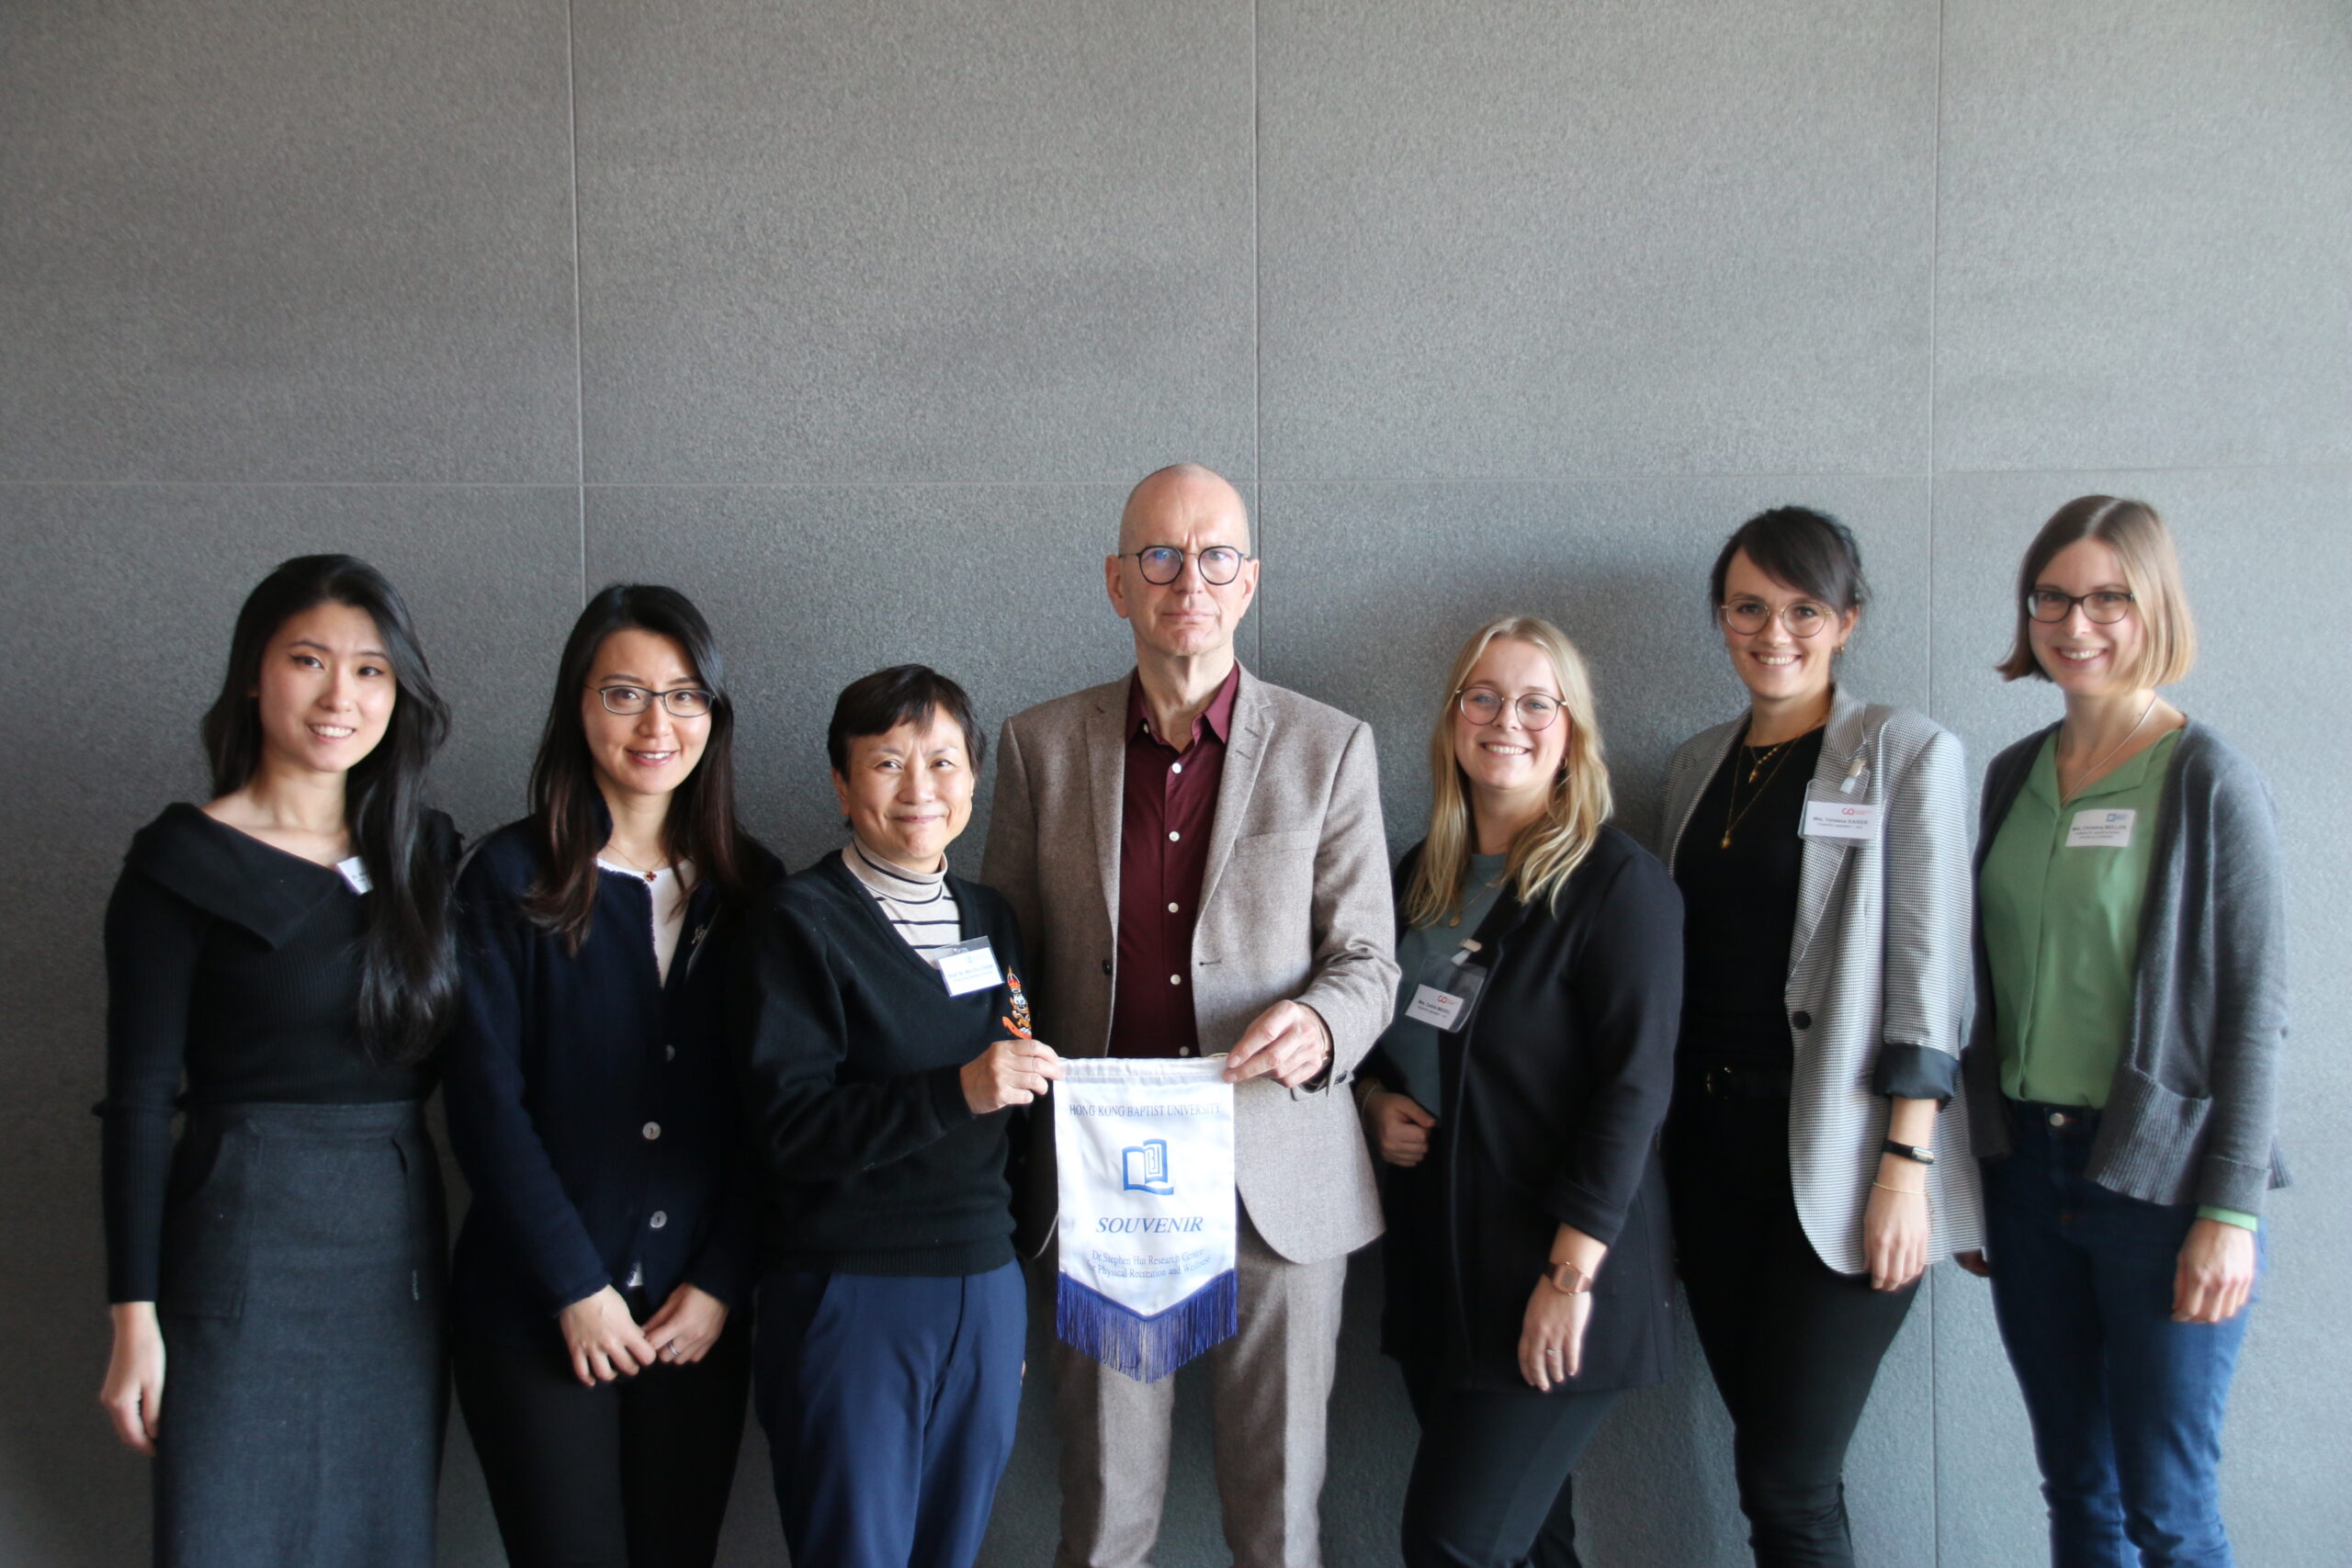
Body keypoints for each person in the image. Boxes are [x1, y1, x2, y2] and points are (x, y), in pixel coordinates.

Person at [980, 463, 1398, 1568]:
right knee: (1106, 1513)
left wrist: (1318, 1027)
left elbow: (1368, 960)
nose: (1188, 581)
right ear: (1117, 583)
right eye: (1159, 557)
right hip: (1106, 1179)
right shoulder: (1036, 748)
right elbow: (1004, 959)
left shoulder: (1329, 746)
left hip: (1278, 1177)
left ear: (1249, 581)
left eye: (1215, 557)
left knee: (1276, 1518)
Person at [95, 555, 461, 1567]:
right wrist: (134, 1318)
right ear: (254, 676)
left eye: (371, 670)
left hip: (396, 1261)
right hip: (238, 1245)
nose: (340, 695)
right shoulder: (182, 865)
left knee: (378, 1537)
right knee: (227, 1534)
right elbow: (133, 1106)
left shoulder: (424, 854)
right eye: (308, 660)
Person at [1656, 507, 1983, 1567]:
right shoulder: (1695, 766)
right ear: (1720, 618)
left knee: (1787, 1481)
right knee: (1778, 1473)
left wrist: (1906, 1169)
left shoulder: (1901, 750)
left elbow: (1928, 977)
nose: (1774, 631)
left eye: (1803, 609)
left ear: (1847, 620)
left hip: (1842, 1164)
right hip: (1707, 1165)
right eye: (1749, 607)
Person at [1967, 496, 2285, 1567]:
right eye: (2051, 596)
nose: (2076, 622)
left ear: (2153, 607)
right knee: (2077, 1492)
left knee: (2167, 1511)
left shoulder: (2207, 782)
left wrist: (2230, 1212)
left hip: (2163, 1190)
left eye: (2108, 596)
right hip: (2025, 1172)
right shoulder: (2012, 775)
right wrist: (1974, 1174)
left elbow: (2255, 1011)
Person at [443, 585, 778, 1568]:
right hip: (536, 1316)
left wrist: (721, 1282)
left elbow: (779, 1114)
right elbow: (483, 1103)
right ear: (576, 706)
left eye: (683, 697)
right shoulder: (508, 879)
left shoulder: (756, 893)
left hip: (694, 1324)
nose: (655, 723)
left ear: (712, 717)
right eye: (623, 693)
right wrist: (575, 1287)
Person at [1357, 615, 1681, 1568]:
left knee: (1451, 1546)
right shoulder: (1419, 874)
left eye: (1537, 702)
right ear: (1453, 719)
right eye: (1484, 697)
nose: (1508, 720)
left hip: (1553, 1276)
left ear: (1572, 730)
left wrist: (1567, 1277)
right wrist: (1375, 1105)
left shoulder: (1618, 886)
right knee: (1531, 1549)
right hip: (1442, 1268)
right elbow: (1374, 1031)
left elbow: (1634, 1094)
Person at [737, 665, 1055, 1568]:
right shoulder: (799, 922)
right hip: (851, 1292)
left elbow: (1013, 1130)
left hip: (983, 1289)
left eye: (944, 762)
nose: (920, 790)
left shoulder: (991, 918)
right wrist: (957, 1089)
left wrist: (1003, 1306)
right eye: (886, 764)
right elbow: (791, 1129)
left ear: (975, 778)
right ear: (841, 785)